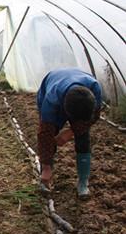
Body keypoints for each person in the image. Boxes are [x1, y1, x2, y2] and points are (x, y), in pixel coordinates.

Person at [36, 68, 102, 198]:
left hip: (77, 91)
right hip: (51, 86)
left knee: (83, 136)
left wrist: (72, 131)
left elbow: (94, 116)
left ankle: (83, 182)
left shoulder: (95, 88)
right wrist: (46, 166)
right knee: (49, 135)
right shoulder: (51, 99)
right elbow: (44, 134)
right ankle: (46, 174)